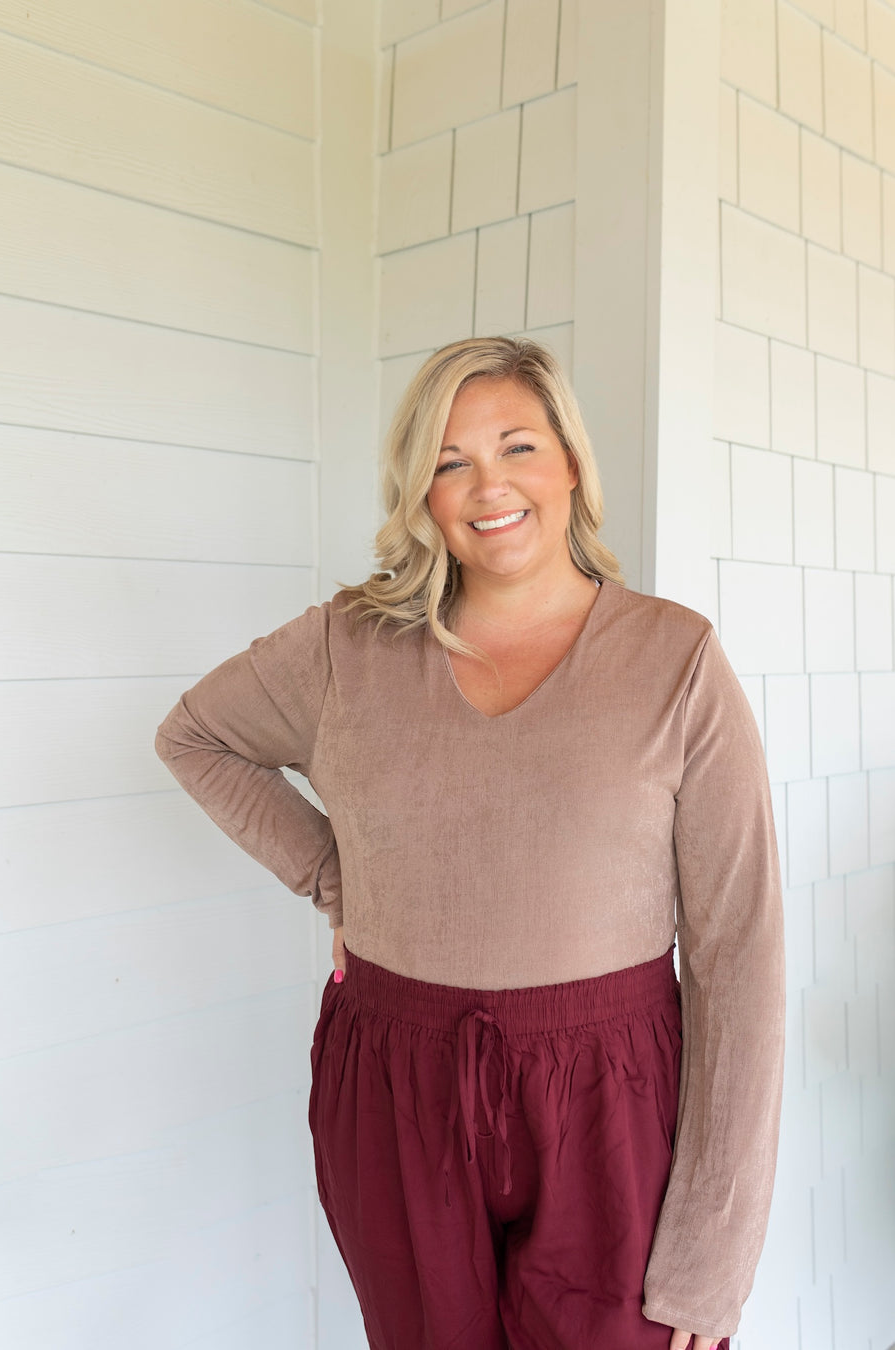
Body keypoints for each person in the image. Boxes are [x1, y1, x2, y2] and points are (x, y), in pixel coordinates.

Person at [155, 336, 785, 1350]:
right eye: (449, 461)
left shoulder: (676, 661)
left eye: (518, 446)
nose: (487, 484)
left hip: (611, 1104)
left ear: (571, 464)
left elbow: (740, 960)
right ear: (422, 494)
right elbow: (197, 736)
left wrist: (715, 1261)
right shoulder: (346, 646)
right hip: (395, 1087)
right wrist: (338, 881)